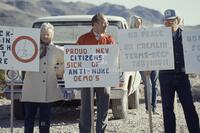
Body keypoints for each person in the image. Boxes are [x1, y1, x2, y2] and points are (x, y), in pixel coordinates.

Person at [159, 9, 200, 133]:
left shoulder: (187, 37)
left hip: (182, 76)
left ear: (177, 21)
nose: (169, 23)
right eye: (167, 21)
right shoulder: (158, 37)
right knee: (167, 108)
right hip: (165, 77)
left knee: (188, 106)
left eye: (172, 20)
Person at [21, 23, 64, 133]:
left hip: (47, 91)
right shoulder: (30, 47)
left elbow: (67, 61)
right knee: (29, 118)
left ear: (52, 35)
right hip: (31, 88)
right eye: (43, 34)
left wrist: (59, 71)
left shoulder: (57, 50)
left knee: (45, 119)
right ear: (39, 34)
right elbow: (19, 60)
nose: (45, 36)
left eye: (48, 34)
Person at [76, 13, 115, 133]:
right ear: (95, 24)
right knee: (86, 108)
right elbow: (76, 57)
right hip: (87, 78)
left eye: (107, 22)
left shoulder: (110, 39)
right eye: (104, 22)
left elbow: (113, 58)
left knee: (103, 108)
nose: (107, 25)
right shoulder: (83, 39)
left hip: (104, 78)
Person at [130, 15, 159, 114]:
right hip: (142, 63)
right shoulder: (130, 35)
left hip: (153, 61)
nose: (139, 24)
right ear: (133, 24)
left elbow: (153, 45)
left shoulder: (147, 32)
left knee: (155, 85)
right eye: (137, 23)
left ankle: (154, 107)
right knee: (148, 84)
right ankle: (148, 108)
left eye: (140, 22)